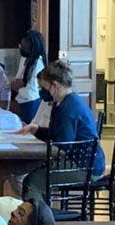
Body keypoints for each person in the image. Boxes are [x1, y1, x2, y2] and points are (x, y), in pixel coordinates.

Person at [19, 59, 103, 201]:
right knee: (38, 175)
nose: (42, 93)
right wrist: (37, 130)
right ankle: (42, 213)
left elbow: (62, 144)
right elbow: (57, 135)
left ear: (55, 85)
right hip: (88, 163)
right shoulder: (68, 101)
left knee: (32, 182)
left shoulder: (67, 109)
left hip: (85, 168)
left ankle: (39, 220)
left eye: (44, 88)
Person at [7, 30, 47, 124]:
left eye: (24, 45)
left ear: (32, 47)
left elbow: (29, 91)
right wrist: (16, 85)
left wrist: (18, 86)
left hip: (31, 104)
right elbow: (16, 82)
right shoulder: (24, 58)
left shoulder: (38, 64)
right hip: (20, 102)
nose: (20, 47)